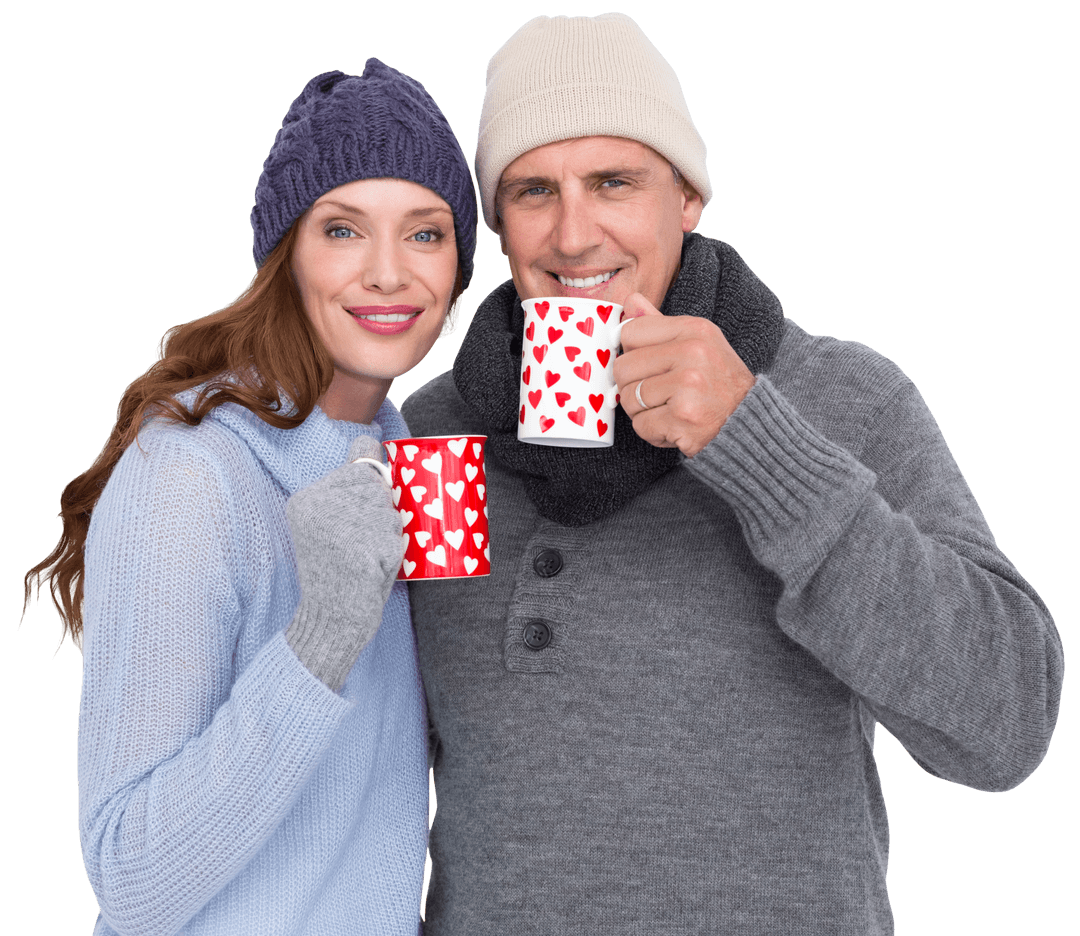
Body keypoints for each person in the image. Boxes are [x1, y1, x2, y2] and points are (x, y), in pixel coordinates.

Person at [401, 13, 1064, 935]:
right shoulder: (435, 444)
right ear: (498, 222)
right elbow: (385, 763)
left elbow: (1006, 723)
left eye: (613, 182)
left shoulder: (847, 399)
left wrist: (758, 443)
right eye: (532, 190)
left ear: (687, 198)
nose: (573, 232)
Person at [21, 59, 476, 936]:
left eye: (425, 235)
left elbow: (428, 766)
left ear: (458, 276)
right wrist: (318, 642)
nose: (389, 274)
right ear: (286, 257)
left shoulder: (408, 448)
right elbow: (130, 879)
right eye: (343, 231)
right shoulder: (188, 474)